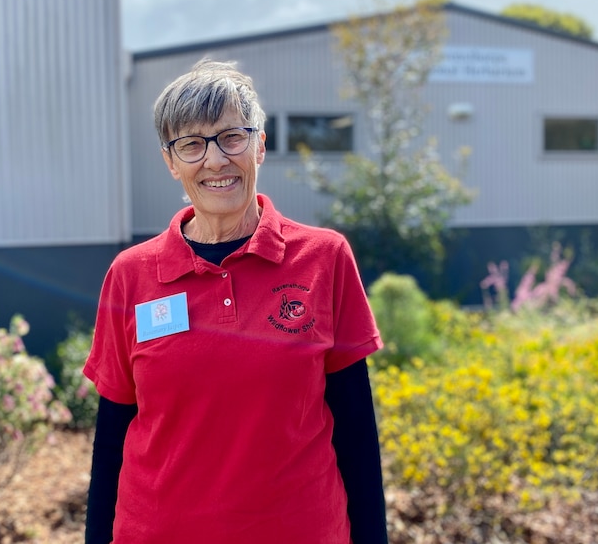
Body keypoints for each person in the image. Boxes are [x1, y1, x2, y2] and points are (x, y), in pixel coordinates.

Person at [83, 58, 388, 544]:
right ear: (171, 161)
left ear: (260, 145)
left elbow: (355, 430)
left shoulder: (324, 258)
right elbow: (113, 434)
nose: (215, 160)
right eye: (191, 144)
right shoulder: (131, 275)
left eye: (232, 137)